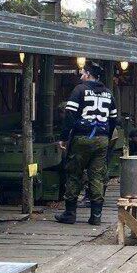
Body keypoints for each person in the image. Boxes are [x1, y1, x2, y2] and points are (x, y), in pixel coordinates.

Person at [55, 61, 118, 225]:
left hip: (82, 138)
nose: (81, 76)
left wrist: (64, 137)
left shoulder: (79, 90)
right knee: (97, 176)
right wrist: (106, 136)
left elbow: (69, 115)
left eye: (83, 73)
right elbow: (114, 118)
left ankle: (70, 213)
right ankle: (96, 216)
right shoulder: (108, 93)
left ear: (89, 74)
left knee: (74, 173)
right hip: (102, 138)